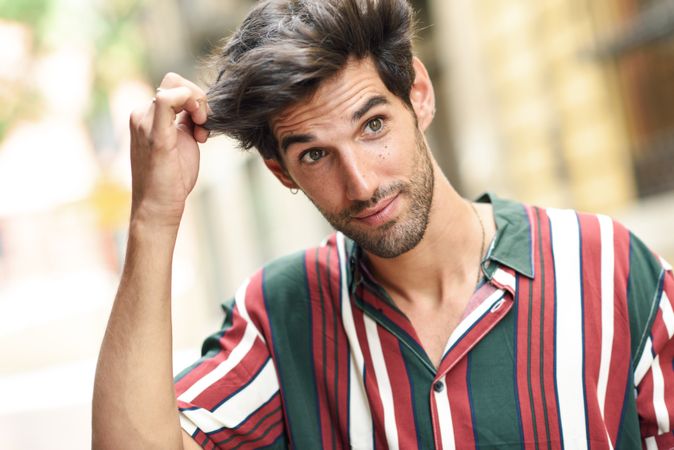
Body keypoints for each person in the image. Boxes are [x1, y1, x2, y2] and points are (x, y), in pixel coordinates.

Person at [92, 0, 674, 448]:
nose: (363, 183)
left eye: (372, 126)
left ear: (417, 94)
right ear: (281, 171)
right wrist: (153, 216)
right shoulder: (280, 316)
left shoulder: (607, 268)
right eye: (315, 155)